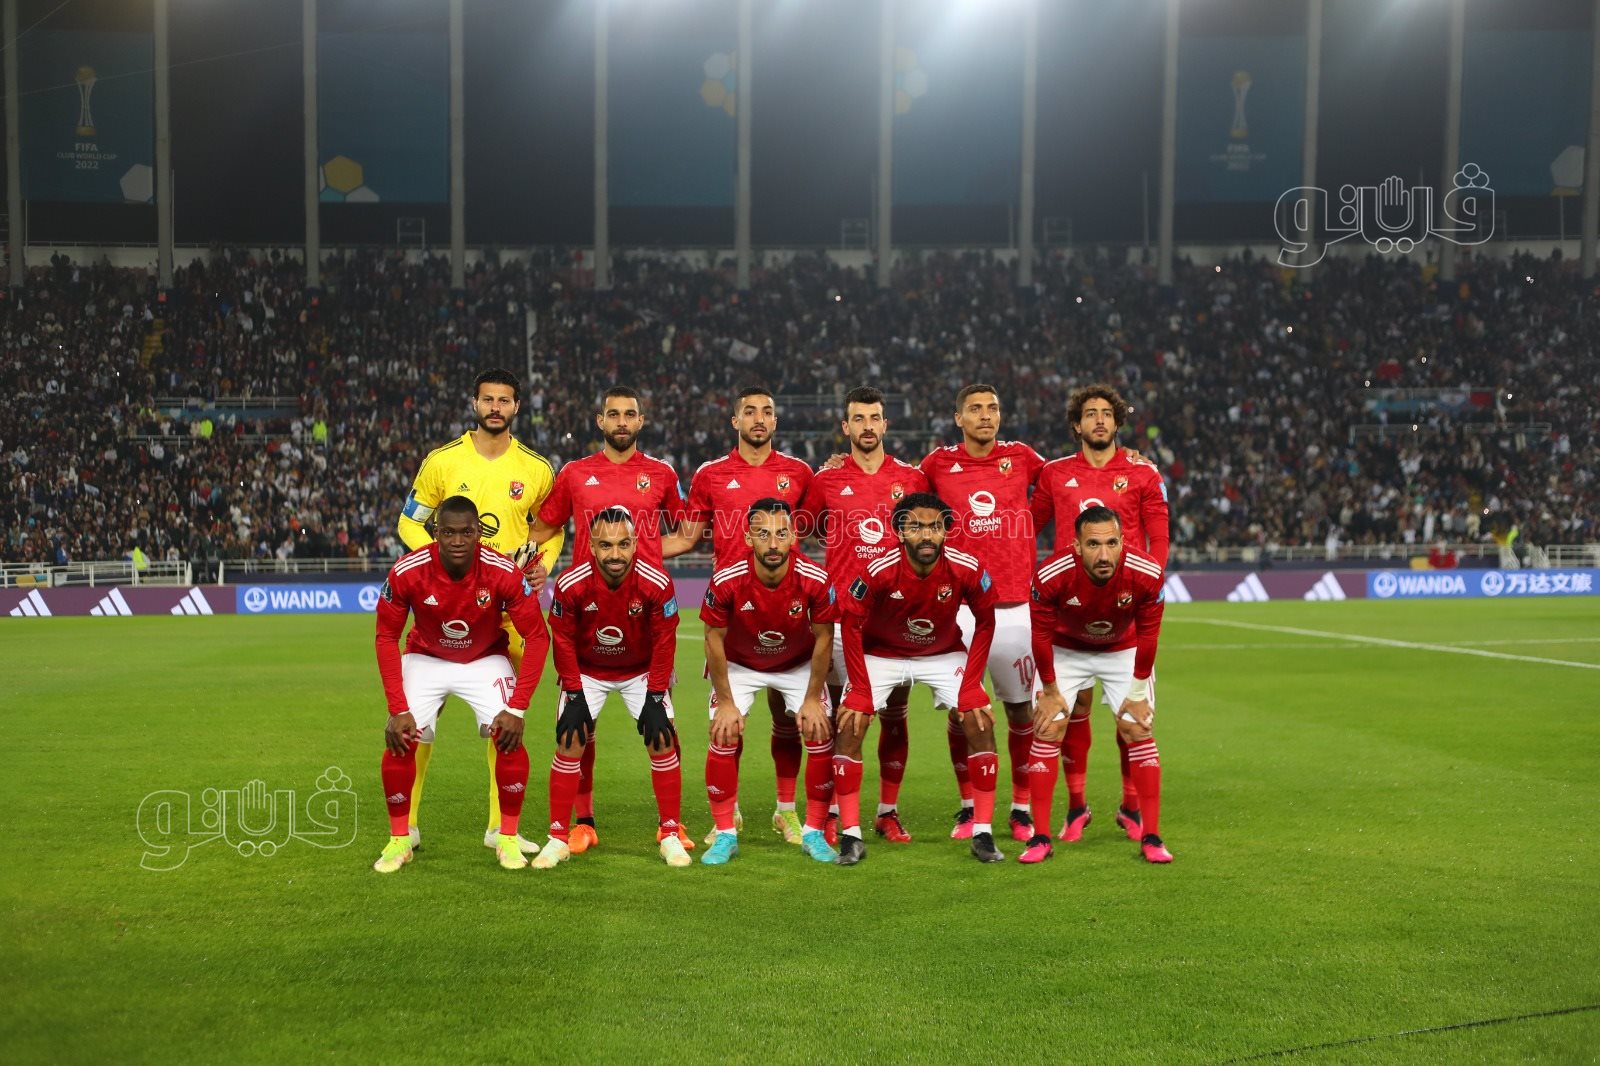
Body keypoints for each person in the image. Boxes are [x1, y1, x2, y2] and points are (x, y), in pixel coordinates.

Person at [396, 368, 564, 856]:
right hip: (447, 606)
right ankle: (406, 826)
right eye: (488, 399)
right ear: (474, 403)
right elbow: (409, 522)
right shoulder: (441, 461)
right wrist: (436, 564)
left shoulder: (537, 469)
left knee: (504, 719)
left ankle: (498, 828)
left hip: (507, 610)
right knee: (421, 720)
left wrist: (543, 567)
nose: (495, 407)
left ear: (516, 407)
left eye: (504, 400)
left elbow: (552, 529)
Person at [526, 386, 688, 854]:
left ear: (640, 421)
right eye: (613, 414)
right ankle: (584, 822)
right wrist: (529, 559)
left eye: (629, 414)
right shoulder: (575, 473)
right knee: (580, 730)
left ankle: (671, 825)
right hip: (586, 612)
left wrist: (648, 556)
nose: (621, 421)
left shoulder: (662, 474)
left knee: (662, 725)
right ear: (600, 421)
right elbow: (544, 527)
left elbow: (684, 532)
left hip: (643, 613)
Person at [663, 386, 816, 844]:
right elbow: (685, 538)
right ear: (735, 421)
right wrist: (629, 550)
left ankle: (786, 811)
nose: (758, 418)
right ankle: (727, 814)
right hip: (732, 617)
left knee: (787, 719)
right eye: (749, 411)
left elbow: (821, 527)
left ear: (775, 421)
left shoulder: (800, 473)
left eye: (767, 411)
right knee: (730, 720)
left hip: (788, 614)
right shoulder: (711, 474)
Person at [372, 495, 551, 874]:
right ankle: (400, 839)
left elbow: (537, 636)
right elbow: (386, 636)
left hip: (484, 658)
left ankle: (506, 837)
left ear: (478, 533)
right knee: (401, 736)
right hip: (426, 657)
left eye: (466, 533)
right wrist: (396, 708)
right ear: (435, 532)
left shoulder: (503, 572)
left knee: (508, 734)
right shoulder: (407, 571)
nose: (457, 541)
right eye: (448, 532)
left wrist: (517, 708)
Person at [1029, 383, 1169, 844]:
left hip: (1123, 606)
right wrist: (1037, 579)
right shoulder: (1054, 473)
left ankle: (1131, 806)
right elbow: (1029, 527)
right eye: (1090, 413)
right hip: (1068, 608)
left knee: (1130, 717)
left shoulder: (1143, 472)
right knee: (1071, 711)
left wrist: (1147, 582)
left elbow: (1158, 536)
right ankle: (1076, 807)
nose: (1099, 420)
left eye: (1106, 413)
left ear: (1117, 420)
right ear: (1077, 424)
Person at [835, 493, 1000, 865]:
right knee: (850, 724)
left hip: (942, 653)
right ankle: (851, 835)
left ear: (946, 531)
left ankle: (983, 832)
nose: (926, 535)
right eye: (916, 527)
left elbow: (987, 621)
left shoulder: (967, 567)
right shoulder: (879, 570)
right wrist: (859, 688)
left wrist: (971, 685)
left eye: (935, 527)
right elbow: (850, 623)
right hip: (883, 655)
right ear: (899, 532)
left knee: (980, 720)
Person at [797, 385, 929, 844]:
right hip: (840, 617)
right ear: (846, 426)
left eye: (875, 418)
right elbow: (800, 531)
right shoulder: (827, 479)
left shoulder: (912, 479)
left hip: (894, 620)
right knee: (841, 719)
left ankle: (887, 812)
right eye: (859, 419)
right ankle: (834, 811)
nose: (868, 427)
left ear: (885, 424)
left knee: (895, 715)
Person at [920, 384, 1047, 844]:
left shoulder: (1023, 457)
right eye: (975, 409)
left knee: (1020, 710)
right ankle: (970, 805)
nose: (985, 415)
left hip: (1014, 607)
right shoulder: (937, 465)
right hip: (958, 610)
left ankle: (1020, 808)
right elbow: (901, 496)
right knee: (962, 713)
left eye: (992, 408)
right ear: (959, 418)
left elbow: (1065, 482)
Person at [532, 508, 693, 870]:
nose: (615, 554)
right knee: (570, 739)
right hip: (588, 671)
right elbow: (563, 639)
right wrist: (574, 694)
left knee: (662, 737)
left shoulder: (657, 583)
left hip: (641, 670)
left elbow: (665, 640)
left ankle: (669, 833)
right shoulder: (571, 583)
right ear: (591, 546)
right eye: (605, 545)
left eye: (623, 544)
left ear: (635, 544)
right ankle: (558, 837)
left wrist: (655, 697)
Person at [1022, 505, 1171, 865]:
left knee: (1138, 727)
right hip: (1066, 650)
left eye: (1111, 543)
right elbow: (1039, 636)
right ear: (1076, 546)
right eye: (1093, 544)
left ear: (1123, 542)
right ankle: (1040, 838)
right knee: (1048, 727)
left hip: (1122, 649)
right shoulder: (1051, 574)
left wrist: (1138, 694)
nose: (1103, 555)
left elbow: (1149, 636)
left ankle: (1151, 837)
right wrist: (1050, 690)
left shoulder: (1146, 573)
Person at [699, 499, 839, 865]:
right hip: (740, 662)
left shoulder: (815, 578)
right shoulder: (727, 579)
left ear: (793, 535)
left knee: (820, 729)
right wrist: (726, 703)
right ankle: (725, 833)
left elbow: (824, 637)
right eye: (763, 534)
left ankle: (812, 830)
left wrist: (812, 699)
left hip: (795, 663)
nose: (773, 543)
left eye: (781, 534)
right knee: (724, 731)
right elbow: (713, 638)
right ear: (748, 538)